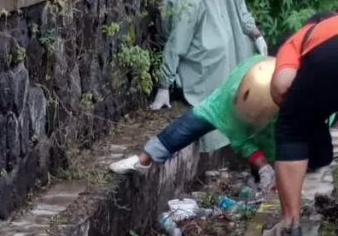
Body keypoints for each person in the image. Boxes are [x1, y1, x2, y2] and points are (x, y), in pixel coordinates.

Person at [111, 55, 278, 189]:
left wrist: (265, 167)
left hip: (261, 115)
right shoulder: (246, 77)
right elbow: (243, 144)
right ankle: (143, 160)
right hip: (216, 108)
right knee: (181, 130)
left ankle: (264, 182)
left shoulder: (271, 83)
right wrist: (264, 166)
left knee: (271, 152)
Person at [152, 0, 267, 133]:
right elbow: (176, 45)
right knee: (213, 121)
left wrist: (257, 36)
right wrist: (164, 86)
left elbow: (242, 12)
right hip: (201, 70)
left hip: (230, 61)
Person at [262, 12, 338, 236]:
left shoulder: (298, 39)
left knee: (290, 126)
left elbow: (282, 85)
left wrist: (293, 107)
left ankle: (290, 225)